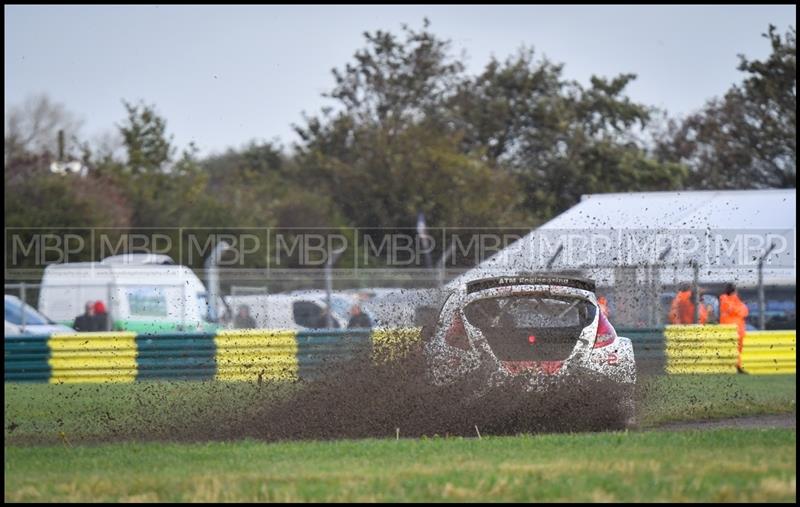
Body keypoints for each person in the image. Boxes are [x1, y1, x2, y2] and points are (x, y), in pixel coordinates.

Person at [719, 283, 749, 372]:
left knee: (737, 349)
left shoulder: (734, 300)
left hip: (737, 328)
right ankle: (737, 366)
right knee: (734, 348)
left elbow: (744, 311)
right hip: (731, 328)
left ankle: (737, 365)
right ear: (734, 291)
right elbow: (739, 310)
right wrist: (739, 311)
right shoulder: (725, 299)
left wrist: (739, 311)